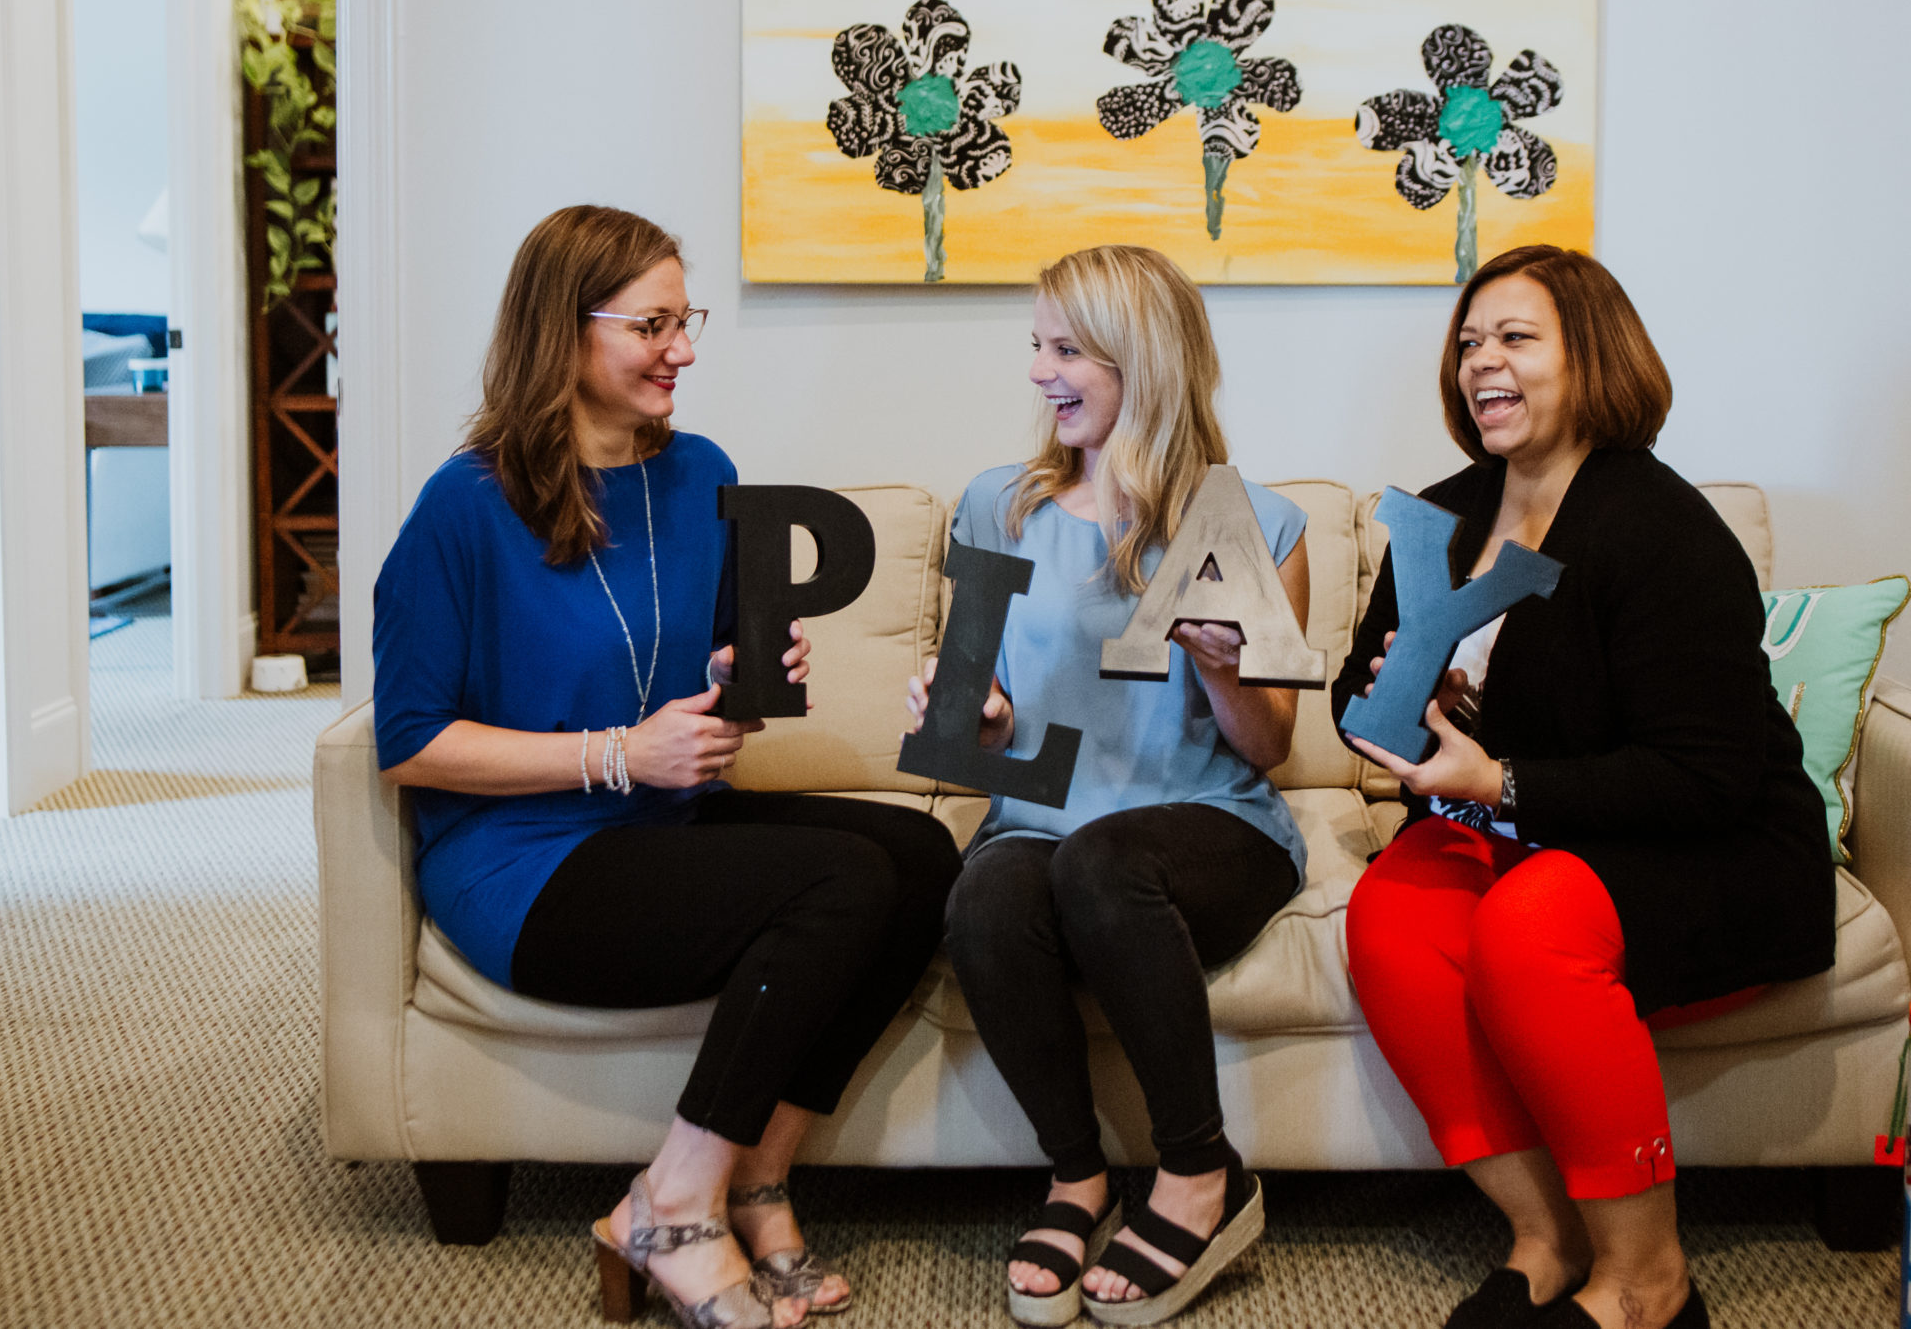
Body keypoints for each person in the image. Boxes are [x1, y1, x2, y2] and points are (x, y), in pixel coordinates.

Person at [375, 206, 961, 1329]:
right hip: (525, 864)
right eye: (652, 323)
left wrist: (743, 668)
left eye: (684, 319)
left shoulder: (702, 474)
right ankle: (671, 1203)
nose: (684, 348)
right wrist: (618, 751)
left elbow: (682, 673)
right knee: (836, 881)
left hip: (670, 821)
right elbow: (410, 742)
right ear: (564, 329)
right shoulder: (465, 505)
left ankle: (756, 1174)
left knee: (923, 851)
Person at [1335, 245, 1834, 1329]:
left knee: (1526, 924)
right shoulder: (1446, 512)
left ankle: (1649, 1281)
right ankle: (1544, 1234)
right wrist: (1399, 705)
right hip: (1530, 824)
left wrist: (1499, 777)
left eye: (1515, 338)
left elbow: (1705, 773)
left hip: (1711, 839)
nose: (1482, 363)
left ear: (1591, 356)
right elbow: (1359, 692)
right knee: (1388, 914)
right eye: (1468, 342)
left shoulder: (1663, 529)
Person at [907, 245, 1306, 1327]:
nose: (1041, 371)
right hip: (1041, 814)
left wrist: (1224, 664)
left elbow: (1268, 745)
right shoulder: (998, 503)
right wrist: (970, 719)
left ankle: (1198, 1170)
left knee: (1103, 858)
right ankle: (1077, 1172)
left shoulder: (1254, 524)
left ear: (1143, 359)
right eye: (1035, 345)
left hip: (1209, 822)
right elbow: (966, 726)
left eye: (1067, 348)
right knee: (985, 896)